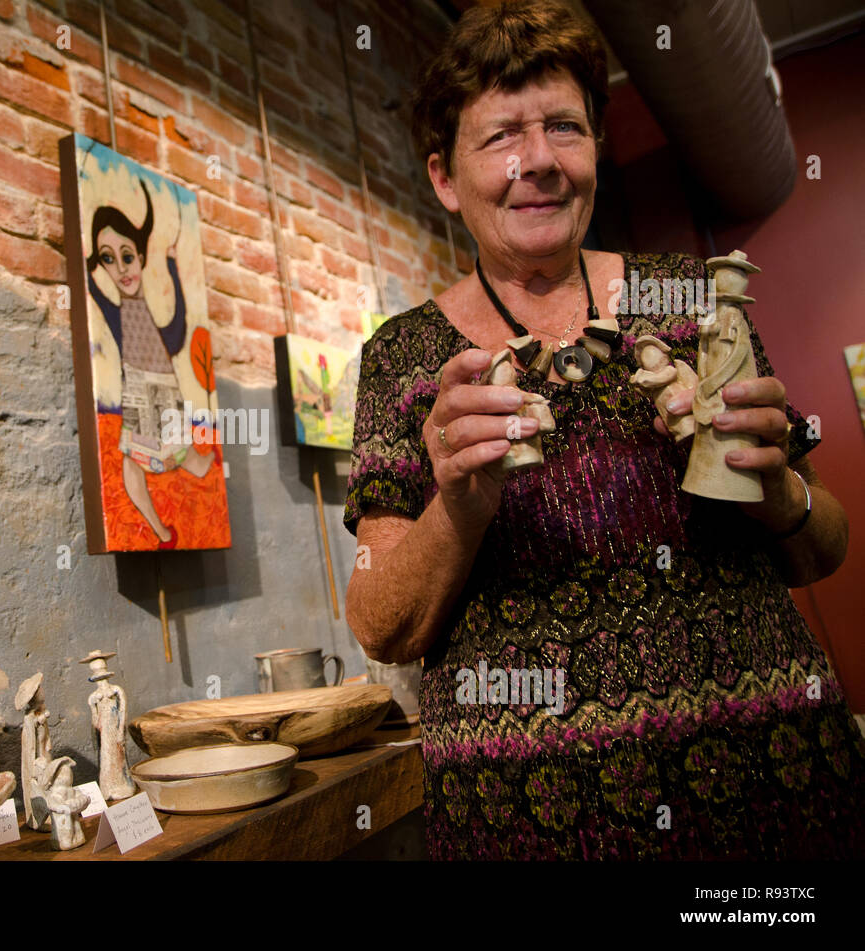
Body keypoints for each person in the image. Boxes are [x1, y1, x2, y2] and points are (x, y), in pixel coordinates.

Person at [344, 0, 863, 860]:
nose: (539, 160)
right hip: (531, 822)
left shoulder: (684, 298)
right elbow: (381, 622)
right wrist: (461, 507)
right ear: (444, 178)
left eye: (564, 127)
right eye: (502, 135)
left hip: (771, 793)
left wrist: (778, 488)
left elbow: (825, 545)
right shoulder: (406, 357)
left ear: (595, 145)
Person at [86, 181, 213, 550]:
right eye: (108, 259)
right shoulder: (117, 313)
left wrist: (172, 267)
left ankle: (175, 511)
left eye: (128, 255)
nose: (122, 268)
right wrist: (89, 264)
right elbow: (93, 289)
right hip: (140, 390)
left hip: (163, 388)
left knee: (172, 451)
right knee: (134, 460)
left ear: (141, 257)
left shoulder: (143, 318)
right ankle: (160, 531)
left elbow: (177, 329)